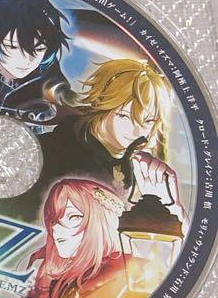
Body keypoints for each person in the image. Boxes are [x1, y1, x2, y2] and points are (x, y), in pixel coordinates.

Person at [0, 177, 146, 298]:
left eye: (74, 216)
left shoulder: (128, 277)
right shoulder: (59, 288)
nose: (56, 228)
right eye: (54, 220)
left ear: (103, 220)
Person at [34, 57, 180, 215]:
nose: (137, 132)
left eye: (149, 121)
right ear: (103, 106)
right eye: (124, 116)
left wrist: (168, 204)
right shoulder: (58, 151)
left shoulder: (130, 163)